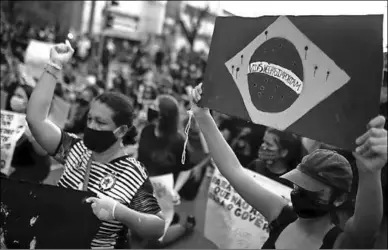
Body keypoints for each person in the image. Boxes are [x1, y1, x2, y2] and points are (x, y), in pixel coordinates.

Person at [190, 83, 387, 249]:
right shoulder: (281, 213)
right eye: (298, 183)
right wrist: (202, 116)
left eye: (313, 189)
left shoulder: (340, 243)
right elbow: (233, 170)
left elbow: (366, 228)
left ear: (339, 198)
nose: (300, 192)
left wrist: (370, 172)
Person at [26, 41, 165, 248]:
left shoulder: (132, 173)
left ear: (121, 131)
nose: (91, 126)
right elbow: (36, 119)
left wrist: (117, 211)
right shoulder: (75, 149)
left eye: (100, 122)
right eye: (90, 119)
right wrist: (54, 66)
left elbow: (157, 227)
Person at [136, 94, 196, 248]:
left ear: (165, 116)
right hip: (142, 188)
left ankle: (185, 227)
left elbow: (186, 170)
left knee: (153, 241)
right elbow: (140, 157)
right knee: (133, 228)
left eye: (156, 108)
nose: (150, 109)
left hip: (162, 193)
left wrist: (175, 190)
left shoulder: (178, 142)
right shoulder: (146, 131)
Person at [5, 83, 50, 183]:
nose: (14, 98)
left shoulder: (37, 123)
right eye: (14, 95)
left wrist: (31, 135)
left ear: (29, 102)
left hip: (27, 176)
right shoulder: (8, 118)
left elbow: (43, 153)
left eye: (20, 96)